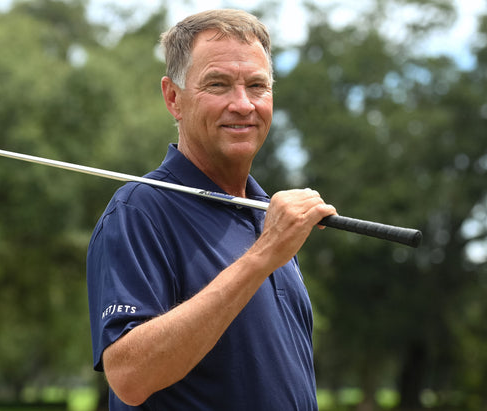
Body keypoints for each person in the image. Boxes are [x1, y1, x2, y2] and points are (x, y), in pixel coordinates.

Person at [87, 9, 337, 410]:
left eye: (257, 86)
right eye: (218, 84)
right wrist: (262, 257)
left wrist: (269, 243)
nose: (243, 104)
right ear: (174, 98)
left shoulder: (266, 217)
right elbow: (129, 377)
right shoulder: (139, 209)